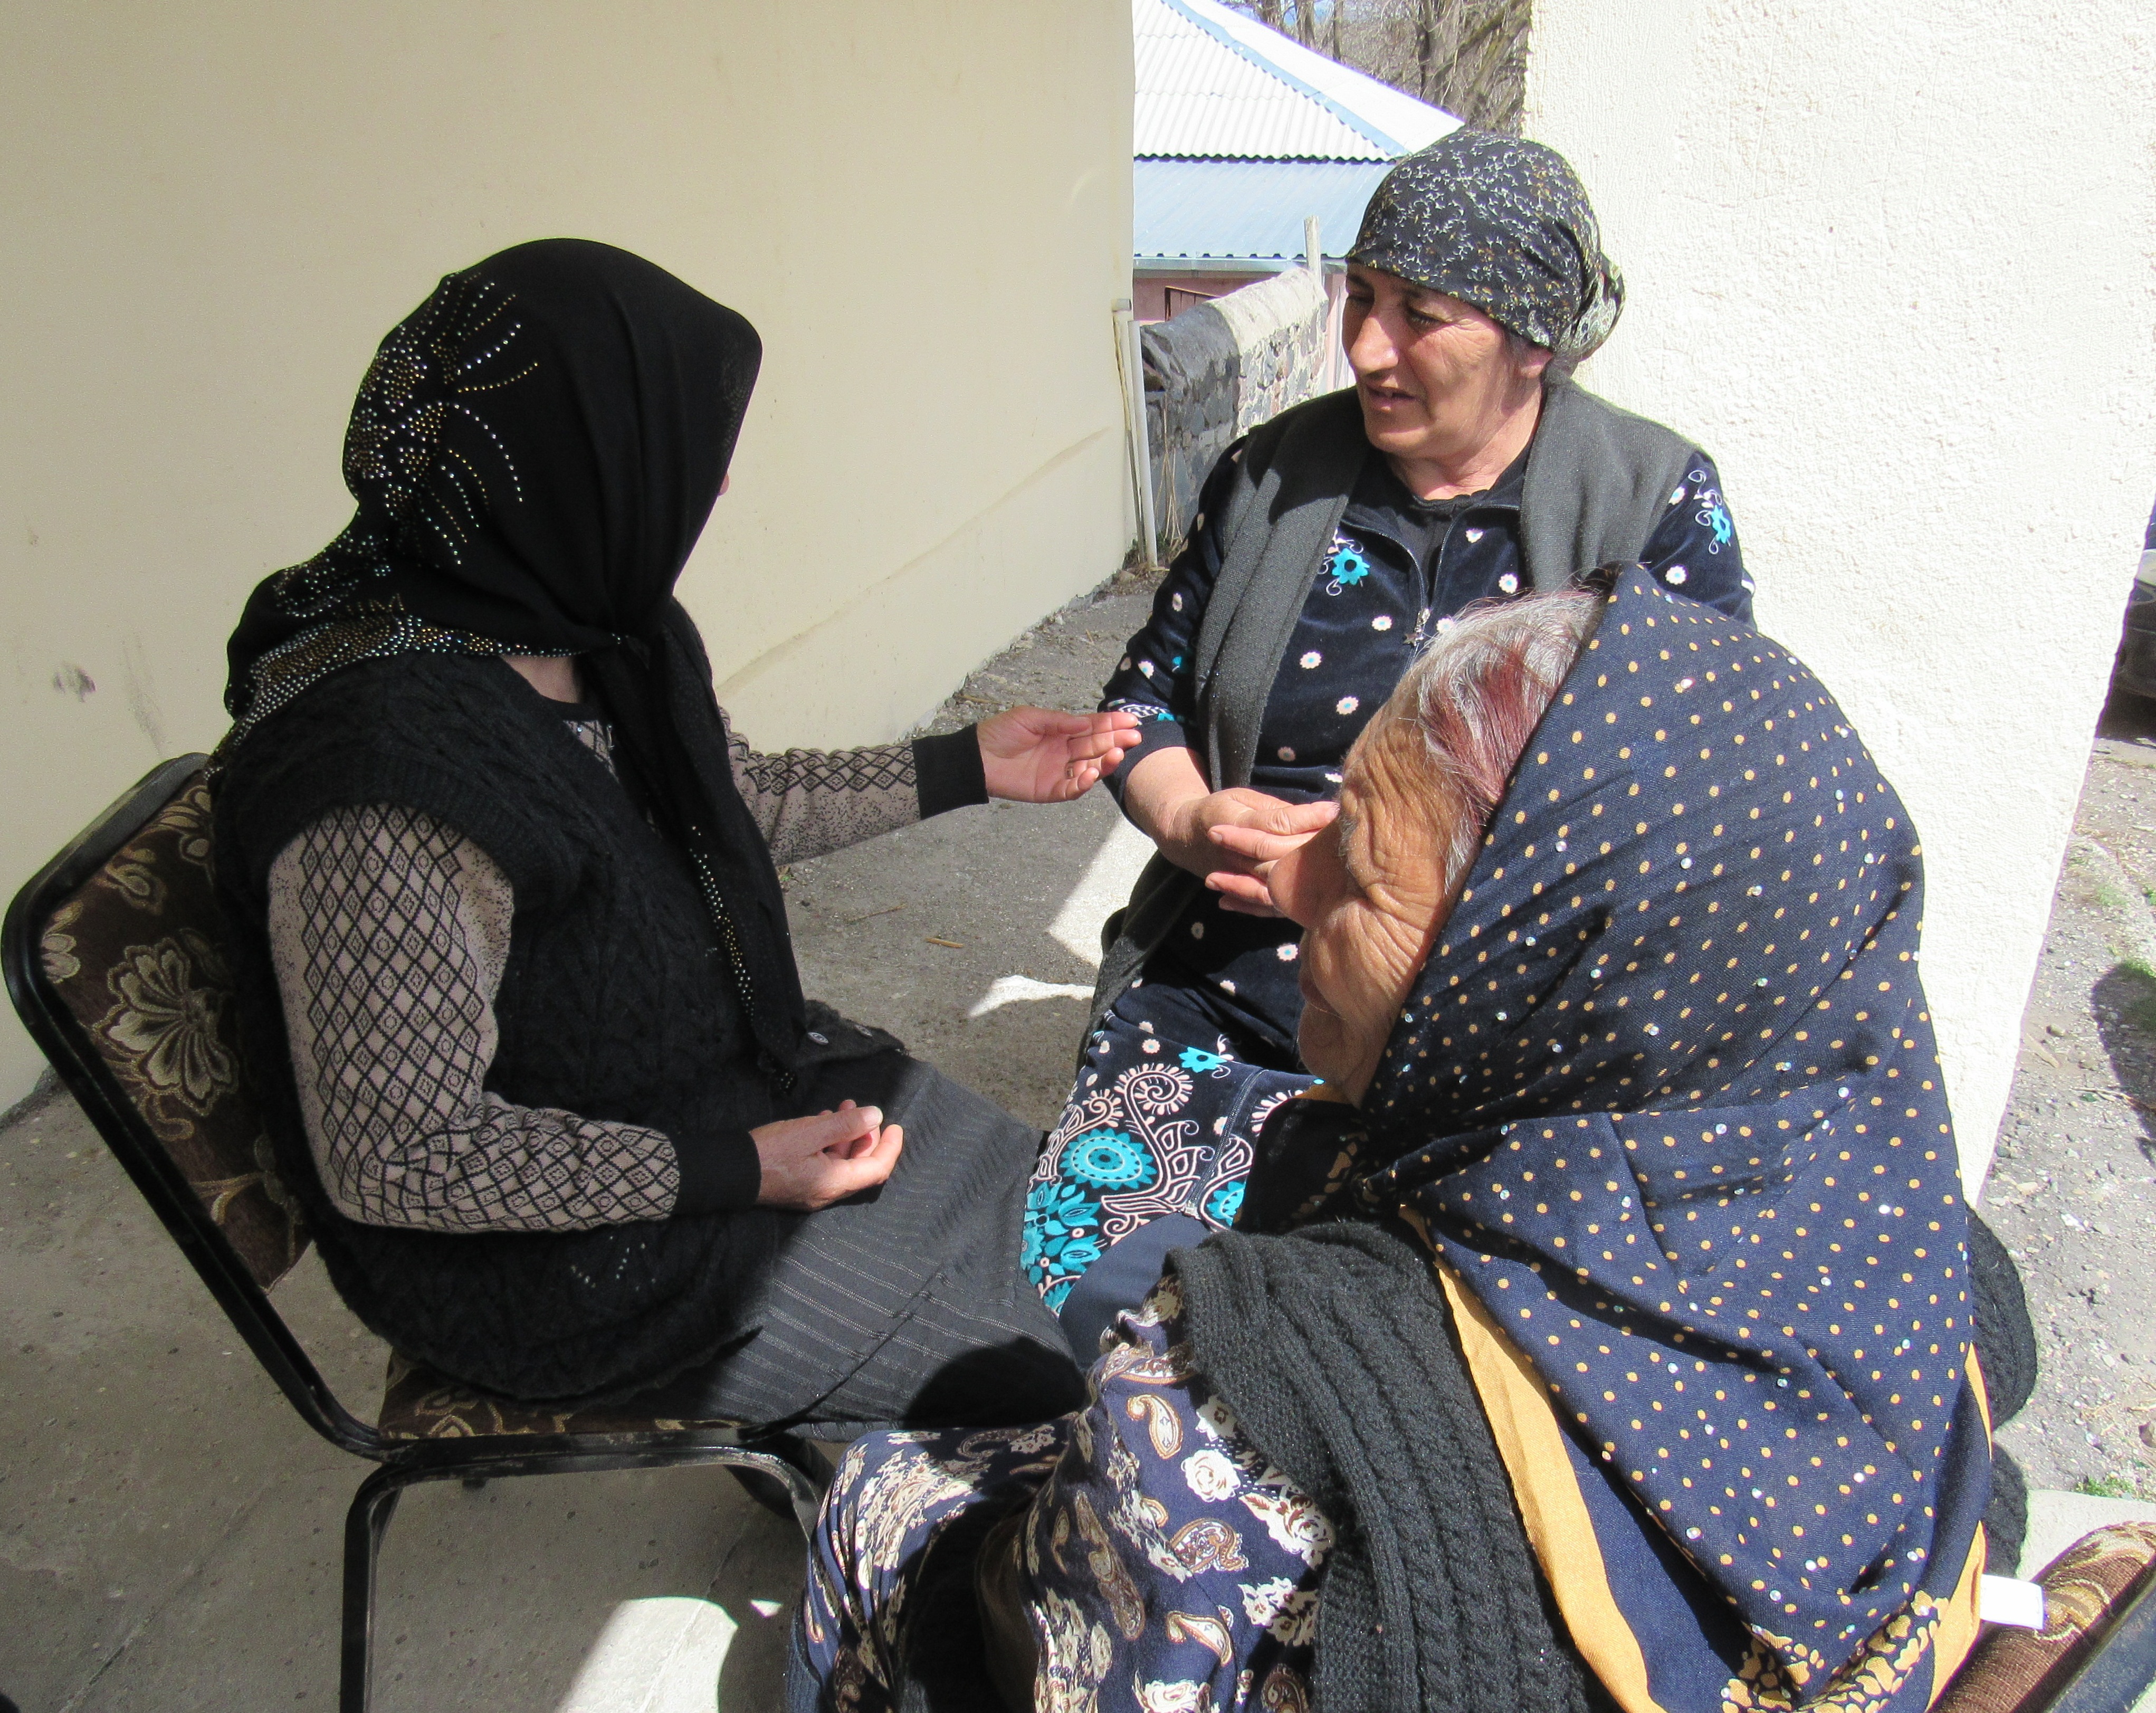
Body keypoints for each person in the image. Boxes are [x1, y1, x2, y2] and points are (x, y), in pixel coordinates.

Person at [798, 573, 2027, 1713]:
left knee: (883, 1495)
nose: (1292, 897)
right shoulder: (1910, 1242)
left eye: (1361, 873)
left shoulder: (1243, 1400)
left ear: (1534, 976)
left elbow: (1049, 1642)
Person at [209, 239, 1139, 1431]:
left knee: (1083, 1227)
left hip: (714, 1084)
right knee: (1081, 1379)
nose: (720, 484)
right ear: (573, 460)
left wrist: (966, 765)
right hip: (569, 1264)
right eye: (690, 445)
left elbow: (725, 802)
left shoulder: (598, 631)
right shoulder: (386, 790)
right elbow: (404, 1152)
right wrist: (745, 1169)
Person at [1025, 131, 1758, 1344]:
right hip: (1224, 995)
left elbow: (1688, 813)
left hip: (1486, 1047)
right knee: (1083, 1312)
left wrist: (1370, 881)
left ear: (1532, 340)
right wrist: (1192, 818)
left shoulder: (1648, 504)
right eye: (1360, 298)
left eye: (1422, 316)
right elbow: (1144, 702)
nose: (1368, 347)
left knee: (1345, 1359)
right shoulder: (1273, 475)